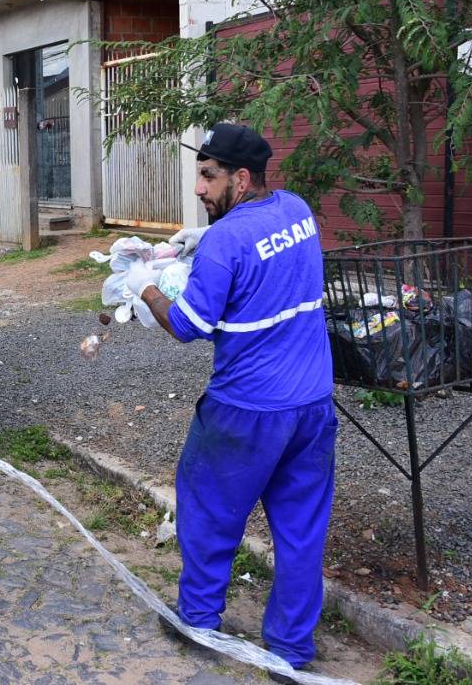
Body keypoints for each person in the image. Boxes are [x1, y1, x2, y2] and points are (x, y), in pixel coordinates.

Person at [127, 123, 336, 680]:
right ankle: (290, 651)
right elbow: (261, 264)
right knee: (300, 529)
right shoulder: (295, 210)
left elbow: (190, 325)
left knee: (208, 512)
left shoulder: (227, 240)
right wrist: (198, 249)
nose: (199, 188)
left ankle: (198, 619)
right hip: (313, 404)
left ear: (240, 179)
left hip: (246, 410)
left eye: (208, 176)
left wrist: (143, 284)